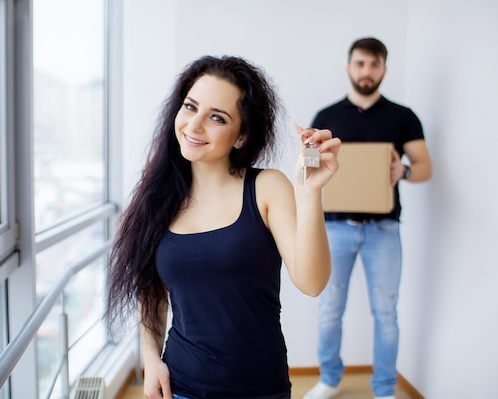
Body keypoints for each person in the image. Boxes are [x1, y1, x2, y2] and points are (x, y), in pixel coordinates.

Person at [107, 55, 341, 399]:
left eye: (217, 117)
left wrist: (309, 194)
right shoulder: (157, 198)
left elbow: (312, 282)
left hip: (259, 387)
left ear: (241, 136)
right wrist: (151, 359)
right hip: (181, 385)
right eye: (190, 107)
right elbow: (151, 291)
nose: (194, 125)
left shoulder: (267, 188)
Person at [303, 38, 432, 399]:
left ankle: (385, 389)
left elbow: (425, 168)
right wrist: (308, 156)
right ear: (349, 68)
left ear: (384, 70)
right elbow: (308, 170)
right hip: (335, 228)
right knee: (329, 309)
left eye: (374, 65)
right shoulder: (327, 116)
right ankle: (329, 378)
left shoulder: (403, 117)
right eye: (360, 64)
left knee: (386, 314)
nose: (366, 71)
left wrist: (402, 172)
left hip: (384, 229)